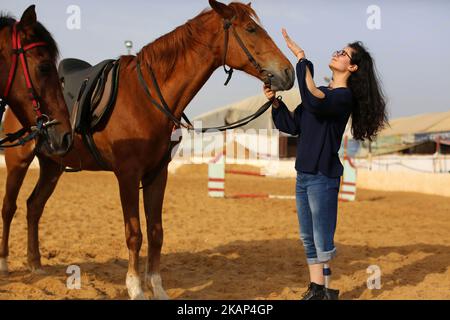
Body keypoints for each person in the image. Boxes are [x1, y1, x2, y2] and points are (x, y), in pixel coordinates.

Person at [264, 29, 388, 300]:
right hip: (303, 174)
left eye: (343, 53)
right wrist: (275, 103)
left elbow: (314, 102)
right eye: (338, 50)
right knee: (307, 237)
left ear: (352, 67)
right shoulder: (320, 92)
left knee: (322, 239)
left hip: (323, 176)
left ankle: (327, 289)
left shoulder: (343, 98)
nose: (337, 53)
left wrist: (301, 59)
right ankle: (317, 288)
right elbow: (291, 125)